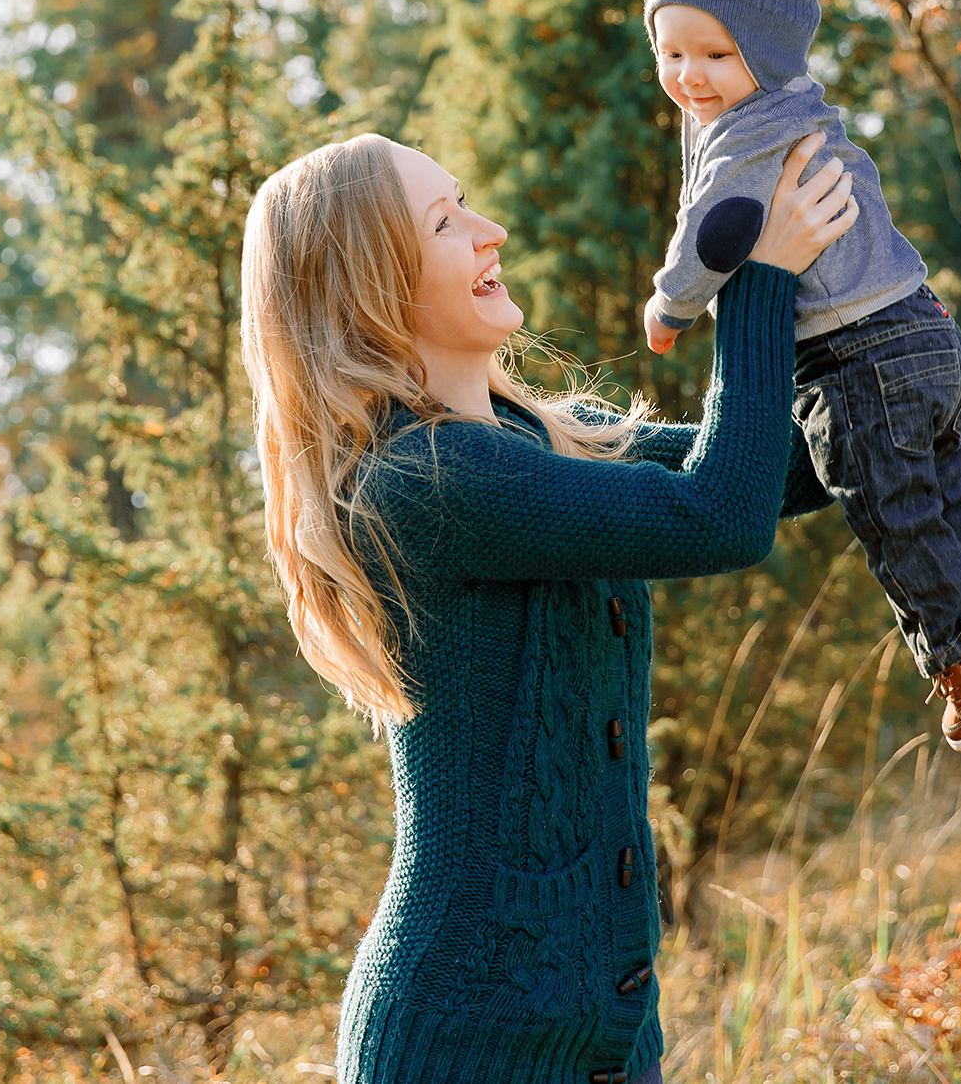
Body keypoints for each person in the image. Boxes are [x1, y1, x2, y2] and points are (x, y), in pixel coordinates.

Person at [239, 129, 856, 1084]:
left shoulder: (537, 438)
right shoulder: (428, 478)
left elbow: (779, 470)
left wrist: (885, 330)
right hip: (468, 1042)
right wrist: (759, 277)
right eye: (447, 221)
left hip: (604, 1037)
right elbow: (719, 519)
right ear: (373, 284)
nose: (491, 231)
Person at [640, 0, 961, 752]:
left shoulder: (749, 137)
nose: (691, 76)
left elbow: (716, 235)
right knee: (946, 482)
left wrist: (670, 308)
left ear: (769, 49)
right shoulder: (800, 111)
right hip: (923, 330)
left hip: (856, 354)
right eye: (671, 53)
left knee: (884, 501)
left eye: (717, 55)